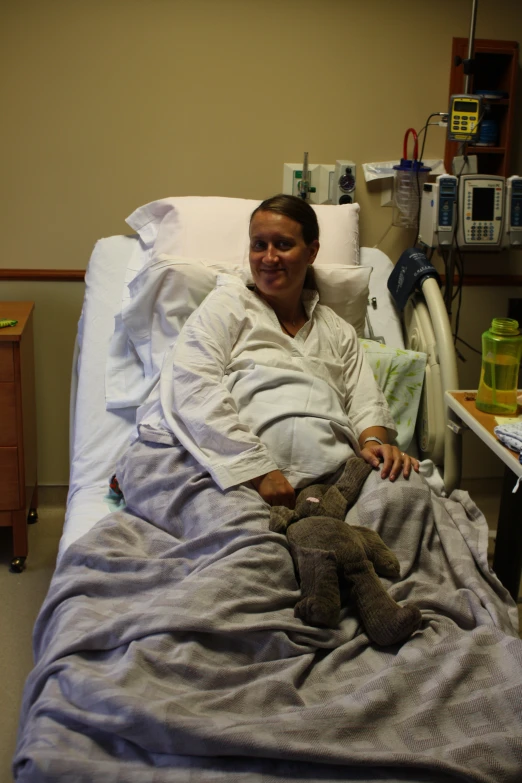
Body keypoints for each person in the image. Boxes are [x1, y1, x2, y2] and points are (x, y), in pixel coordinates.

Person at [135, 193, 419, 510]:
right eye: (259, 245)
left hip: (336, 477)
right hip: (243, 477)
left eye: (282, 245)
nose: (268, 257)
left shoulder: (336, 328)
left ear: (311, 251)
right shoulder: (226, 308)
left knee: (408, 496)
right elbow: (192, 385)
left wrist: (375, 443)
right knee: (248, 548)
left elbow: (363, 398)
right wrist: (257, 469)